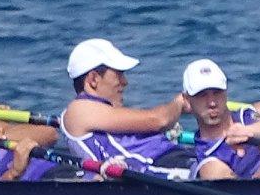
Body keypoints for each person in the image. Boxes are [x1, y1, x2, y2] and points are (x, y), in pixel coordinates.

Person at [58, 37, 190, 172]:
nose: (125, 82)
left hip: (169, 160)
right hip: (157, 168)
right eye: (118, 74)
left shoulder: (101, 112)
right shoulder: (80, 110)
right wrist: (180, 102)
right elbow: (159, 120)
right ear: (93, 79)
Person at [182, 60, 260, 181]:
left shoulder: (253, 111)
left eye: (217, 92)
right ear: (187, 101)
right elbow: (245, 192)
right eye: (202, 95)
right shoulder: (210, 164)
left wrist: (249, 131)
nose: (212, 102)